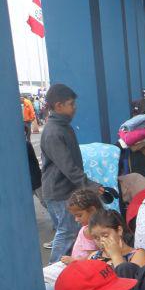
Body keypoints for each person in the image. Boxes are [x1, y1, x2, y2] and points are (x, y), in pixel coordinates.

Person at [41, 84, 103, 263]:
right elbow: (68, 167)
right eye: (71, 104)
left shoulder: (63, 126)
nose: (74, 107)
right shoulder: (54, 131)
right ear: (59, 105)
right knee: (67, 232)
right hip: (60, 192)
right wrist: (90, 185)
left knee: (69, 231)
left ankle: (64, 271)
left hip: (66, 189)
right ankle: (54, 272)